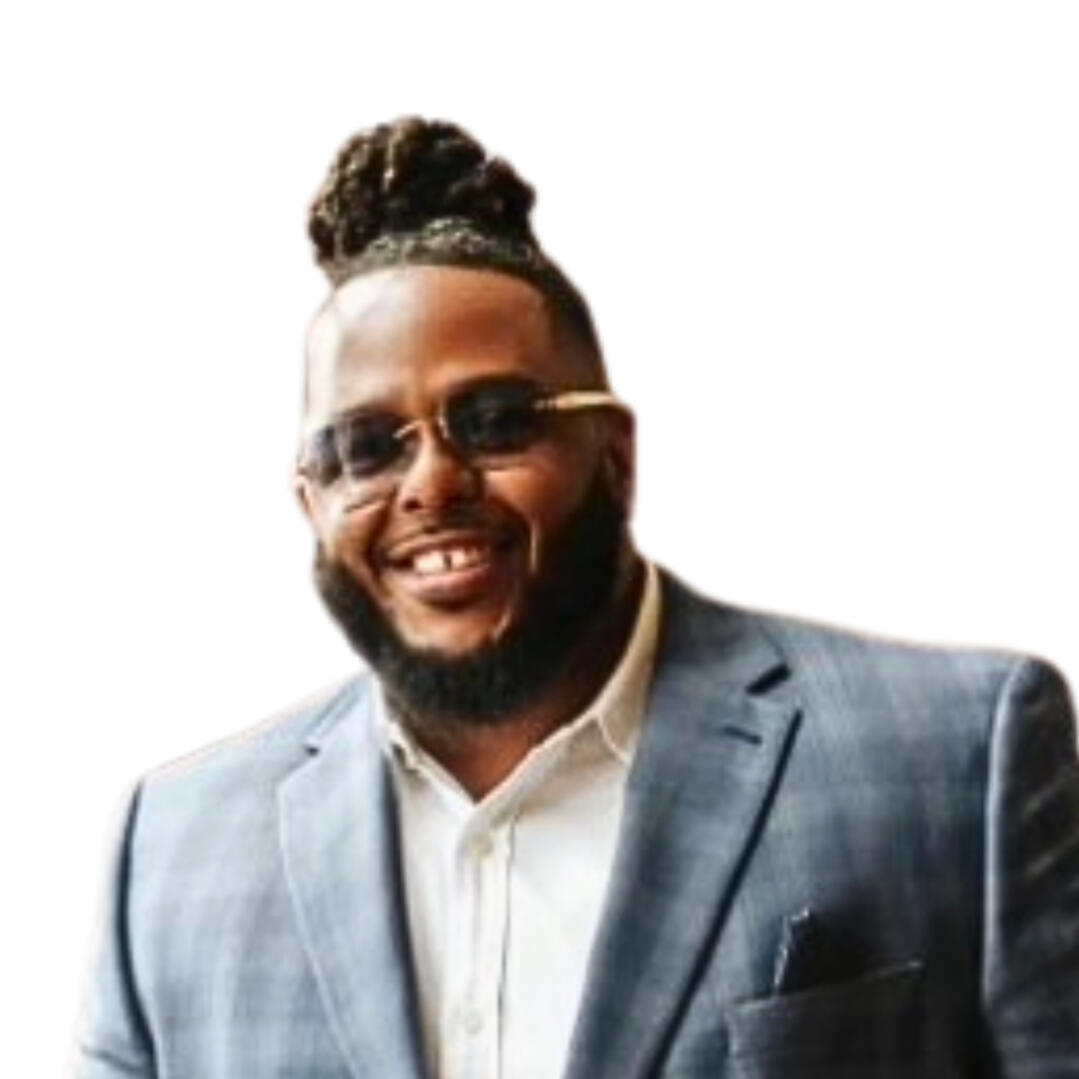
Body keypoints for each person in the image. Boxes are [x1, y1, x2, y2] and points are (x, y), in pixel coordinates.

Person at [78, 117, 1079, 1078]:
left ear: (612, 454)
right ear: (310, 500)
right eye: (364, 446)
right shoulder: (168, 854)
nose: (430, 483)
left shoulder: (957, 757)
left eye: (494, 420)